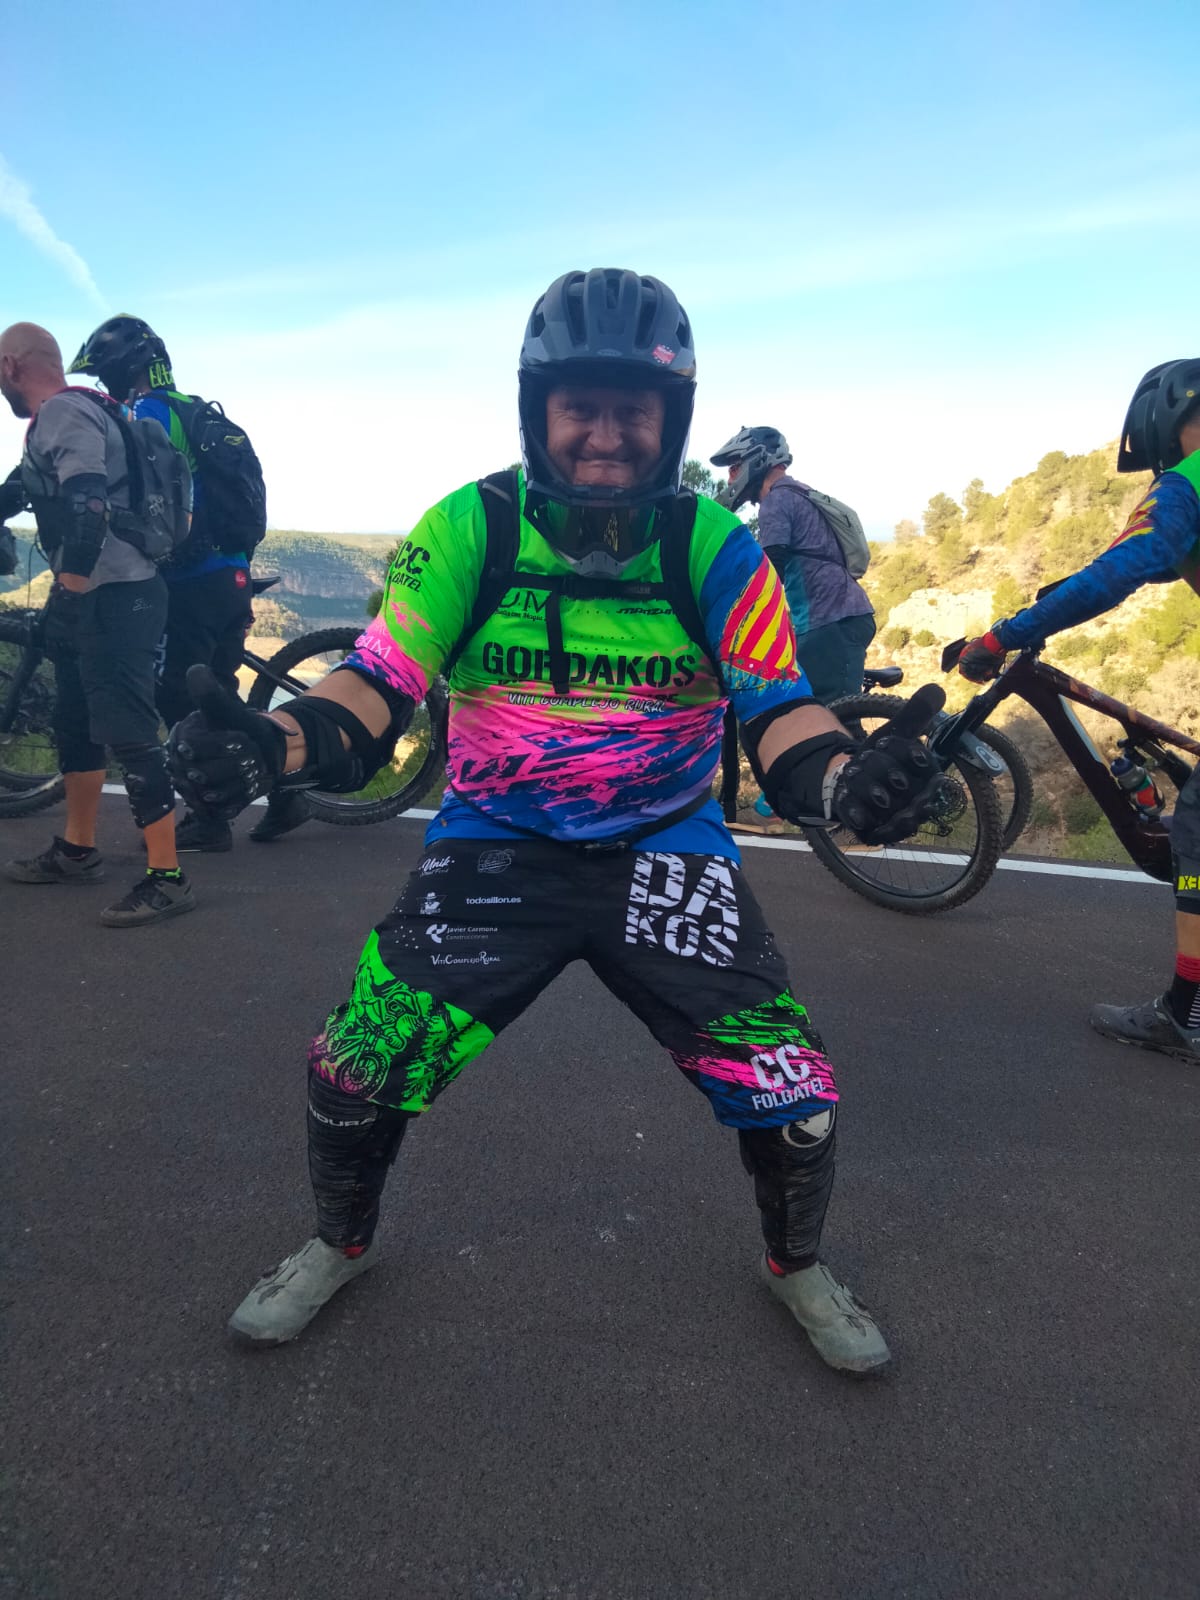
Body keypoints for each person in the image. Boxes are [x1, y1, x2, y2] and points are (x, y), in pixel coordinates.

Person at [169, 269, 943, 1368]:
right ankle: (339, 1243)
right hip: (497, 846)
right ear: (537, 409)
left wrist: (842, 783)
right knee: (354, 1071)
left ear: (673, 419)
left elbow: (780, 710)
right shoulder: (468, 527)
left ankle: (797, 1267)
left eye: (635, 410)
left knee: (794, 1098)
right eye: (582, 406)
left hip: (664, 851)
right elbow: (378, 684)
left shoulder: (714, 547)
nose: (607, 435)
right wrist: (275, 746)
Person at [959, 359, 1200, 1063]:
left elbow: (1122, 571)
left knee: (1196, 841)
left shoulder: (1187, 481)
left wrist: (1006, 634)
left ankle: (1184, 1015)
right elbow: (1147, 562)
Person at [68, 315, 302, 851]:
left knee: (179, 696)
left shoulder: (148, 412)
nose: (104, 385)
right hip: (230, 573)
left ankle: (211, 819)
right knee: (218, 698)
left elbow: (130, 497)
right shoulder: (196, 410)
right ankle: (287, 788)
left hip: (191, 579)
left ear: (124, 369)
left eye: (105, 375)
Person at [0, 322, 195, 926]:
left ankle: (167, 877)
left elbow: (88, 502)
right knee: (76, 722)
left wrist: (71, 586)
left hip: (115, 596)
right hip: (102, 593)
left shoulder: (62, 412)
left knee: (129, 732)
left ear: (10, 366)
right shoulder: (90, 410)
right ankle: (78, 849)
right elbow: (21, 491)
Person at [709, 426, 876, 702]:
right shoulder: (798, 493)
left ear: (756, 460)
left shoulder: (776, 500)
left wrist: (727, 612)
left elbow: (768, 574)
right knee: (815, 708)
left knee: (827, 713)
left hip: (830, 619)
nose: (730, 480)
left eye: (734, 469)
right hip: (837, 617)